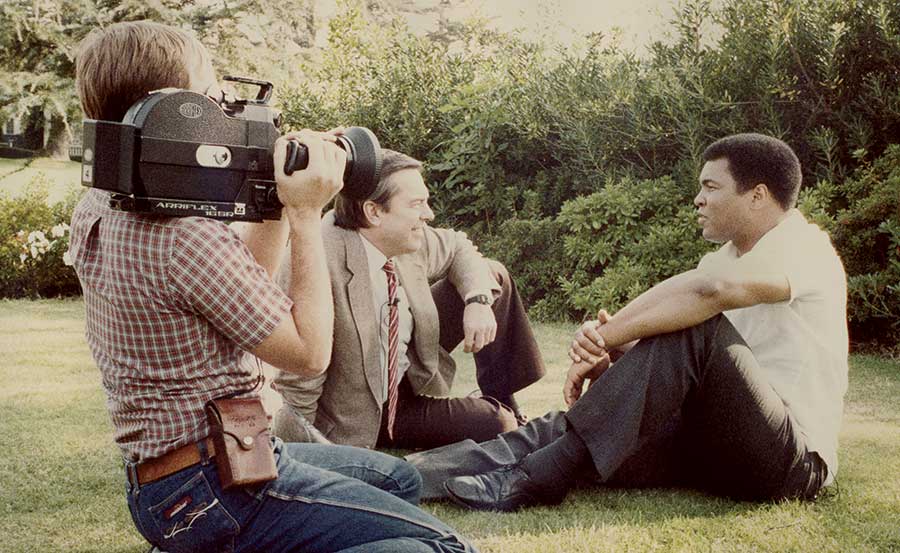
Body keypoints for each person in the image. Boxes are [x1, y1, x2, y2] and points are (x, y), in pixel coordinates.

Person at [71, 20, 477, 552]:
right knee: (445, 547)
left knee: (397, 479)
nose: (227, 114)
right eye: (213, 100)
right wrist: (308, 213)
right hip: (219, 484)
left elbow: (242, 291)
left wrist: (274, 199)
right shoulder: (185, 238)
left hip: (167, 484)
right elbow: (309, 354)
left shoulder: (101, 205)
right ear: (173, 113)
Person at [406, 133, 848, 510]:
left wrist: (606, 333)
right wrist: (616, 352)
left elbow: (707, 296)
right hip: (712, 448)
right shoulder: (724, 259)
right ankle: (404, 476)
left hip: (789, 464)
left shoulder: (806, 247)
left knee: (695, 325)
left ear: (757, 195)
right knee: (570, 427)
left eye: (711, 187)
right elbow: (690, 359)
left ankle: (537, 479)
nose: (698, 199)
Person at [271, 149, 546, 450]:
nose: (428, 214)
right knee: (497, 423)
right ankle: (500, 415)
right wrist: (306, 454)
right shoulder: (316, 258)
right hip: (364, 415)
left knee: (493, 277)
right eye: (417, 204)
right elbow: (297, 378)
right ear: (373, 211)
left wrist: (478, 301)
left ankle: (503, 399)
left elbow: (457, 247)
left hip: (408, 378)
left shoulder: (404, 236)